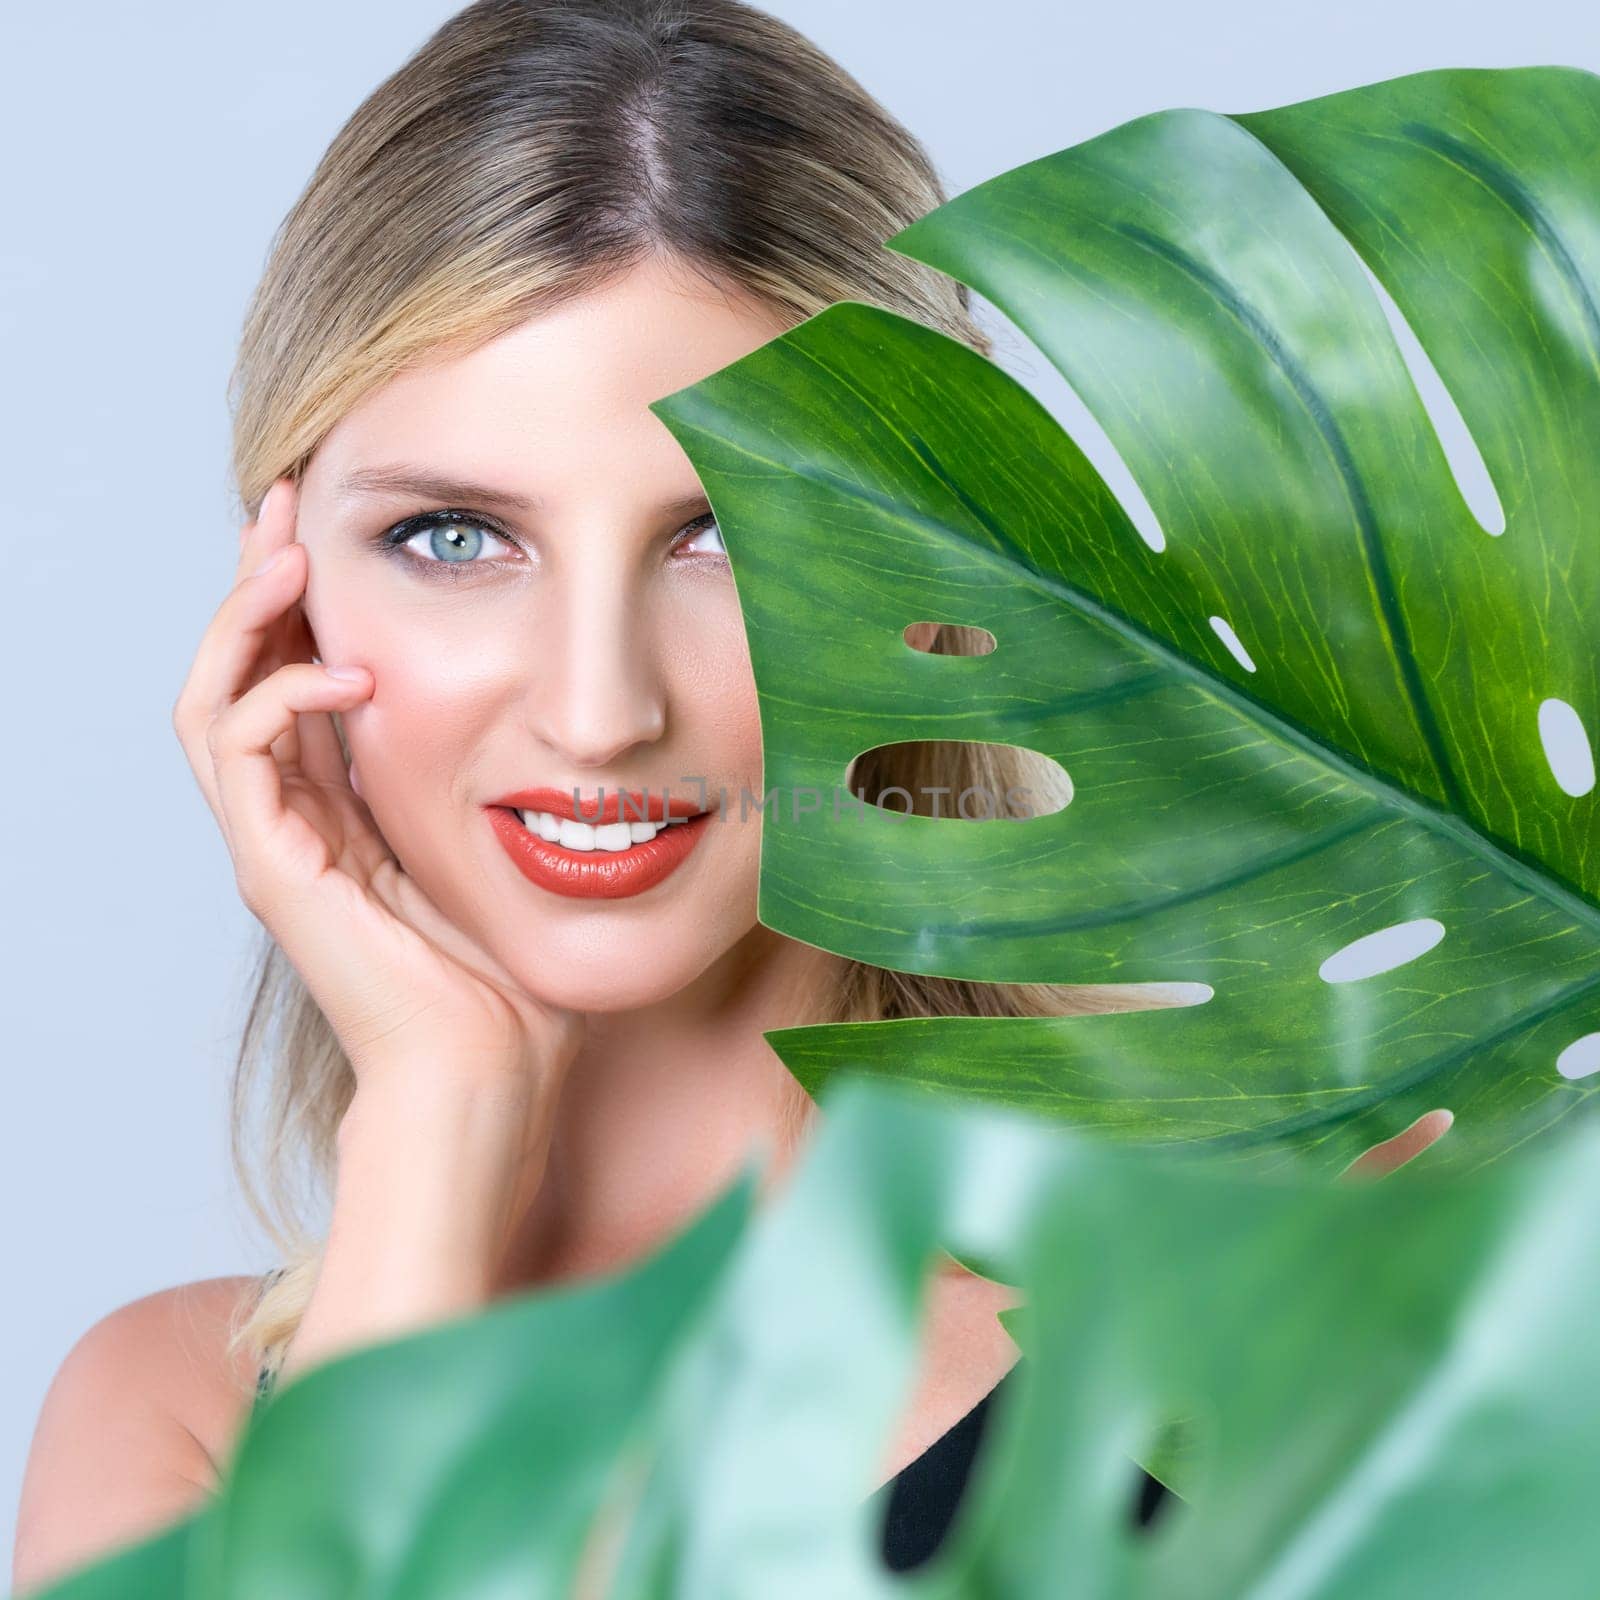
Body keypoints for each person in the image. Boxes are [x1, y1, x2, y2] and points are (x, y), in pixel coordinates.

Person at [12, 1, 1448, 1591]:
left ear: (926, 578)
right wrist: (436, 1112)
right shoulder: (173, 1421)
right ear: (284, 608)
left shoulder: (1282, 1316)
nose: (596, 708)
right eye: (451, 537)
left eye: (727, 537)